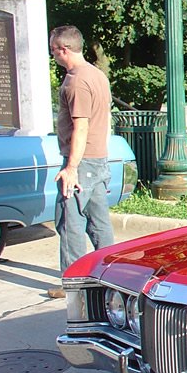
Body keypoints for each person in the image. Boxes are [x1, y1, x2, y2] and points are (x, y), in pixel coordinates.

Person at [48, 25, 115, 298]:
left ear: (64, 49)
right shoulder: (97, 75)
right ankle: (109, 275)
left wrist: (71, 168)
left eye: (53, 50)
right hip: (98, 158)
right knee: (99, 222)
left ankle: (72, 283)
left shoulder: (76, 81)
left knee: (69, 220)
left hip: (82, 162)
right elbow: (106, 119)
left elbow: (81, 126)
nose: (52, 54)